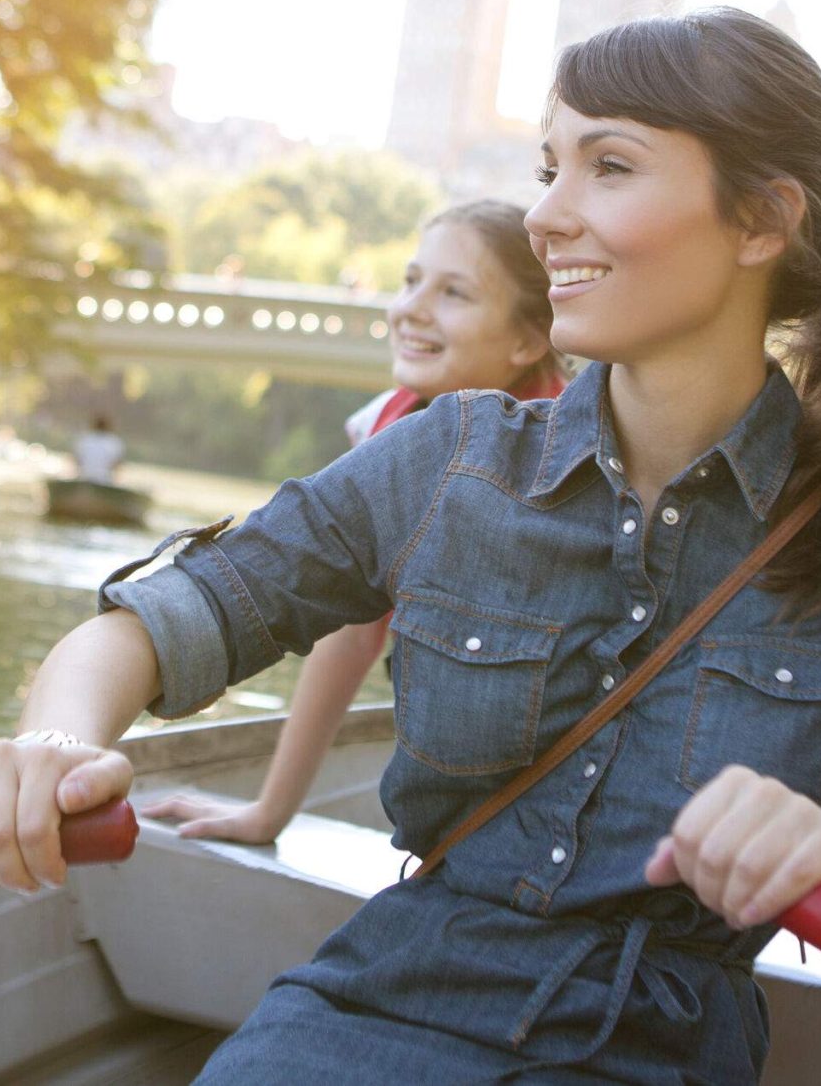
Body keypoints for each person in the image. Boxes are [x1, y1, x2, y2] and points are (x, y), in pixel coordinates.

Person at [0, 10, 821, 1085]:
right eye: (548, 166)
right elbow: (151, 623)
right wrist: (63, 741)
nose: (546, 216)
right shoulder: (446, 459)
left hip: (647, 1059)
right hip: (366, 1020)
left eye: (611, 167)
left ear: (762, 221)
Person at [144, 199, 566, 846]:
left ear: (528, 340)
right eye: (409, 280)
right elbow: (348, 636)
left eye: (453, 292)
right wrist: (267, 813)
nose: (410, 308)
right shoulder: (386, 437)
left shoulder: (576, 462)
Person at [74, 414, 128, 485]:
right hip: (105, 481)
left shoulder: (85, 438)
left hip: (84, 478)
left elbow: (77, 460)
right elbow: (117, 465)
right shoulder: (114, 441)